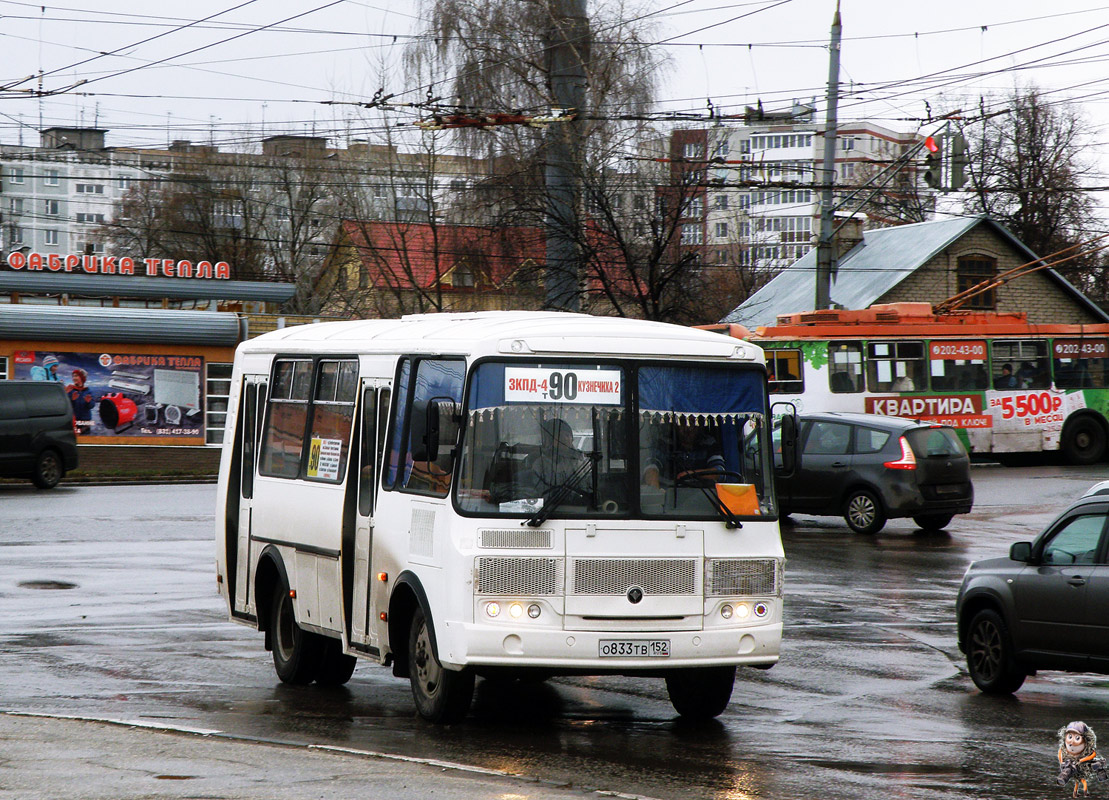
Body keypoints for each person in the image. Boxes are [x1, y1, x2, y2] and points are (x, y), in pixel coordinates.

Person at [643, 420, 726, 488]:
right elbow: (651, 467)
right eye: (682, 423)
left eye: (693, 423)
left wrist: (691, 474)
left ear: (700, 426)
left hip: (701, 500)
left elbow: (719, 472)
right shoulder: (665, 443)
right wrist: (656, 493)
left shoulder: (709, 443)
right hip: (669, 500)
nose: (688, 429)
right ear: (675, 425)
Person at [65, 368, 94, 434]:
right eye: (73, 376)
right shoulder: (70, 390)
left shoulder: (88, 390)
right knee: (74, 439)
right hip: (73, 421)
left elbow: (92, 405)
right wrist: (72, 400)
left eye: (76, 376)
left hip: (85, 422)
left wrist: (88, 402)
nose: (74, 378)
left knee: (85, 440)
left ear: (82, 378)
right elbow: (66, 406)